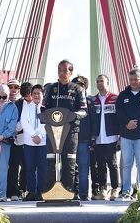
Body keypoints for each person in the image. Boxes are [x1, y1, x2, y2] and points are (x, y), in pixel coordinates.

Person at [41, 60, 88, 196]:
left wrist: (72, 116)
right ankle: (49, 192)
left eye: (65, 70)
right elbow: (43, 108)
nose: (62, 73)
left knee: (69, 161)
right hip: (53, 131)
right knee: (51, 161)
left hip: (71, 131)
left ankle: (68, 192)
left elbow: (84, 110)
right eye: (60, 70)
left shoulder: (78, 89)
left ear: (70, 72)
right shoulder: (51, 88)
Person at [115, 68, 140, 201]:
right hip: (126, 135)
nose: (133, 82)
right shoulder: (123, 95)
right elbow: (118, 112)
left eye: (136, 79)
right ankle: (125, 191)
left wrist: (136, 122)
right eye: (131, 79)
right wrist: (127, 122)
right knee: (127, 164)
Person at [90, 74, 120, 201]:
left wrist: (120, 137)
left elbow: (120, 118)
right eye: (97, 81)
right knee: (100, 164)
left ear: (108, 83)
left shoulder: (115, 98)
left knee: (112, 164)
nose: (99, 83)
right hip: (98, 138)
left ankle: (115, 188)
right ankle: (103, 189)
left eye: (102, 81)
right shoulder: (93, 100)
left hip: (111, 137)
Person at [21, 84, 47, 201]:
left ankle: (41, 192)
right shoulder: (26, 107)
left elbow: (47, 123)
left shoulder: (46, 107)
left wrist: (39, 135)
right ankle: (31, 192)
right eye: (34, 93)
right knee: (30, 168)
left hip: (43, 142)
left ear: (43, 95)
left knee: (42, 167)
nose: (36, 95)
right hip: (29, 142)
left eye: (39, 93)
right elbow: (24, 122)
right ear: (31, 95)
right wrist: (33, 135)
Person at [72, 75, 94, 201]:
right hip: (70, 139)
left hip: (84, 140)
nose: (78, 88)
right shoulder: (69, 102)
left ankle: (84, 193)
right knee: (68, 168)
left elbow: (94, 122)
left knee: (84, 167)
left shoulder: (89, 103)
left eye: (80, 85)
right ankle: (69, 192)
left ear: (85, 87)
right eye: (76, 85)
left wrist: (92, 139)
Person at [6, 79, 26, 201]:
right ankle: (12, 191)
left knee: (25, 165)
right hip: (7, 139)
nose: (13, 90)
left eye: (15, 87)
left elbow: (24, 118)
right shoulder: (3, 101)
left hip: (22, 137)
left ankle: (23, 189)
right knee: (12, 166)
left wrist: (15, 128)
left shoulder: (23, 103)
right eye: (10, 87)